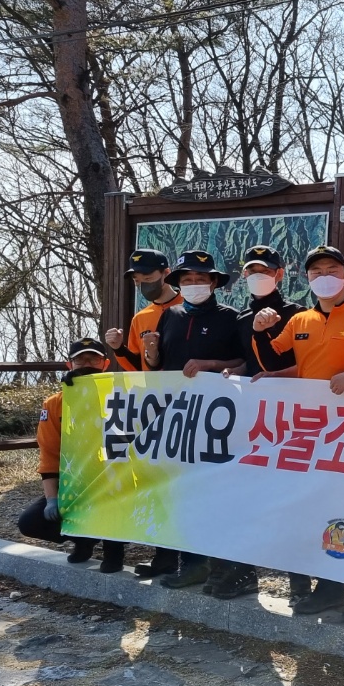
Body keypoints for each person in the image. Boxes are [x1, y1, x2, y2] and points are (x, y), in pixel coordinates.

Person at [252, 244, 344, 619]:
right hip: (313, 432)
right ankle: (331, 588)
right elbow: (273, 358)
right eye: (316, 271)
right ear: (307, 278)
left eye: (332, 270)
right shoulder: (300, 321)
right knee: (322, 509)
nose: (324, 277)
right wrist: (260, 332)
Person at [193, 245, 305, 602]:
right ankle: (242, 573)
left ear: (279, 274)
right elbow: (247, 362)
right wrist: (233, 372)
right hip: (251, 422)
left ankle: (301, 585)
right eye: (252, 270)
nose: (258, 276)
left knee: (291, 504)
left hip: (291, 422)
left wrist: (275, 376)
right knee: (243, 499)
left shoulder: (298, 314)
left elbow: (307, 365)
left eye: (265, 270)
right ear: (243, 275)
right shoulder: (241, 318)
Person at [138, 249, 246, 588]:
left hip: (218, 422)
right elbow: (158, 365)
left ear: (213, 282)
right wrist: (150, 351)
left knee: (216, 493)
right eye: (188, 279)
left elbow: (245, 363)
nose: (195, 283)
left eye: (201, 278)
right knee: (180, 492)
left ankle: (224, 567)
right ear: (179, 283)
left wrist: (211, 365)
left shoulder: (232, 317)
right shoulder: (170, 316)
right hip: (177, 419)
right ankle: (192, 564)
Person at [17, 338, 125, 572]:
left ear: (105, 364)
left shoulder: (122, 395)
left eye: (93, 359)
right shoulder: (54, 403)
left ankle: (114, 550)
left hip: (114, 481)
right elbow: (49, 454)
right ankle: (83, 539)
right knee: (30, 523)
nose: (87, 364)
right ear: (70, 365)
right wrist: (52, 499)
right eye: (80, 360)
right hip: (74, 483)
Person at [104, 248, 181, 371]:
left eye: (148, 278)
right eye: (137, 281)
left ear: (166, 273)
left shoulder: (189, 306)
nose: (143, 285)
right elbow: (138, 367)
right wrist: (119, 348)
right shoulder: (140, 318)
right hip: (156, 384)